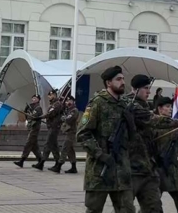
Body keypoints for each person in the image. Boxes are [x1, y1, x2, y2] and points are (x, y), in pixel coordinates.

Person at [124, 74, 178, 210]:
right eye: (146, 88)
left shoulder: (142, 106)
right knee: (125, 208)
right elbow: (152, 119)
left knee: (154, 207)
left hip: (149, 167)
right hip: (132, 167)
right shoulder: (129, 105)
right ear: (135, 89)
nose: (149, 91)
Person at [77, 65, 134, 212]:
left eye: (123, 79)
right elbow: (83, 134)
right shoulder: (97, 103)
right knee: (94, 210)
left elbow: (132, 137)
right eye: (118, 79)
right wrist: (100, 154)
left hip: (121, 171)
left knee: (127, 209)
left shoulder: (125, 105)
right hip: (99, 171)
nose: (123, 82)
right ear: (109, 83)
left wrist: (131, 123)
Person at [153, 96, 178, 213]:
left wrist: (173, 156)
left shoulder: (176, 126)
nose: (170, 109)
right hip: (157, 170)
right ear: (159, 108)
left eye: (171, 107)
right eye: (167, 107)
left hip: (173, 169)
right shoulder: (153, 124)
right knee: (152, 206)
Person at [39, 90, 65, 172]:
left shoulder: (57, 104)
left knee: (48, 144)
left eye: (50, 95)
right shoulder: (53, 104)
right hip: (52, 126)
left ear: (54, 95)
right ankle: (57, 163)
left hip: (54, 127)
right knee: (54, 146)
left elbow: (50, 114)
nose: (49, 97)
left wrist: (40, 117)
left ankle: (41, 163)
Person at [14, 95, 43, 168]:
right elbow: (27, 117)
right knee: (34, 146)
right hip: (31, 128)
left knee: (28, 144)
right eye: (32, 98)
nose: (33, 99)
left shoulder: (38, 108)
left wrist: (29, 112)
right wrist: (26, 110)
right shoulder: (31, 107)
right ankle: (40, 161)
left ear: (38, 100)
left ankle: (22, 161)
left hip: (35, 128)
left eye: (35, 98)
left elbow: (34, 116)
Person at [59, 96, 79, 173]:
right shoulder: (68, 110)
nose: (68, 102)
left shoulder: (74, 110)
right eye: (67, 101)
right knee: (70, 150)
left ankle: (59, 165)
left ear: (73, 101)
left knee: (64, 148)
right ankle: (73, 167)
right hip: (68, 132)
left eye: (70, 100)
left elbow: (69, 119)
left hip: (72, 132)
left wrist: (64, 118)